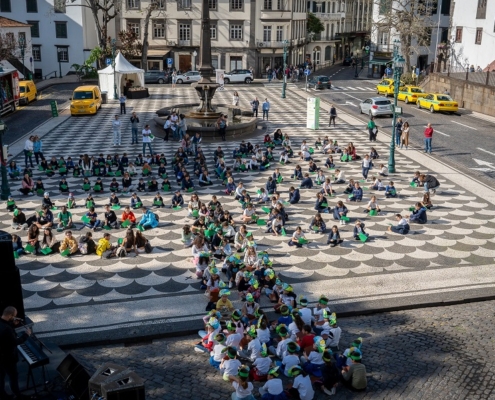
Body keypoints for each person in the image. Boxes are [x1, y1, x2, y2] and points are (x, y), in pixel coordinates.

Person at [0, 306, 32, 400]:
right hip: (8, 358)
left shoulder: (3, 323)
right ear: (10, 315)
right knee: (13, 376)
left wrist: (12, 324)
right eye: (14, 316)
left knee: (1, 377)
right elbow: (15, 342)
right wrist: (26, 334)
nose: (15, 317)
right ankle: (17, 395)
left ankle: (3, 395)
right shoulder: (7, 329)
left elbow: (5, 334)